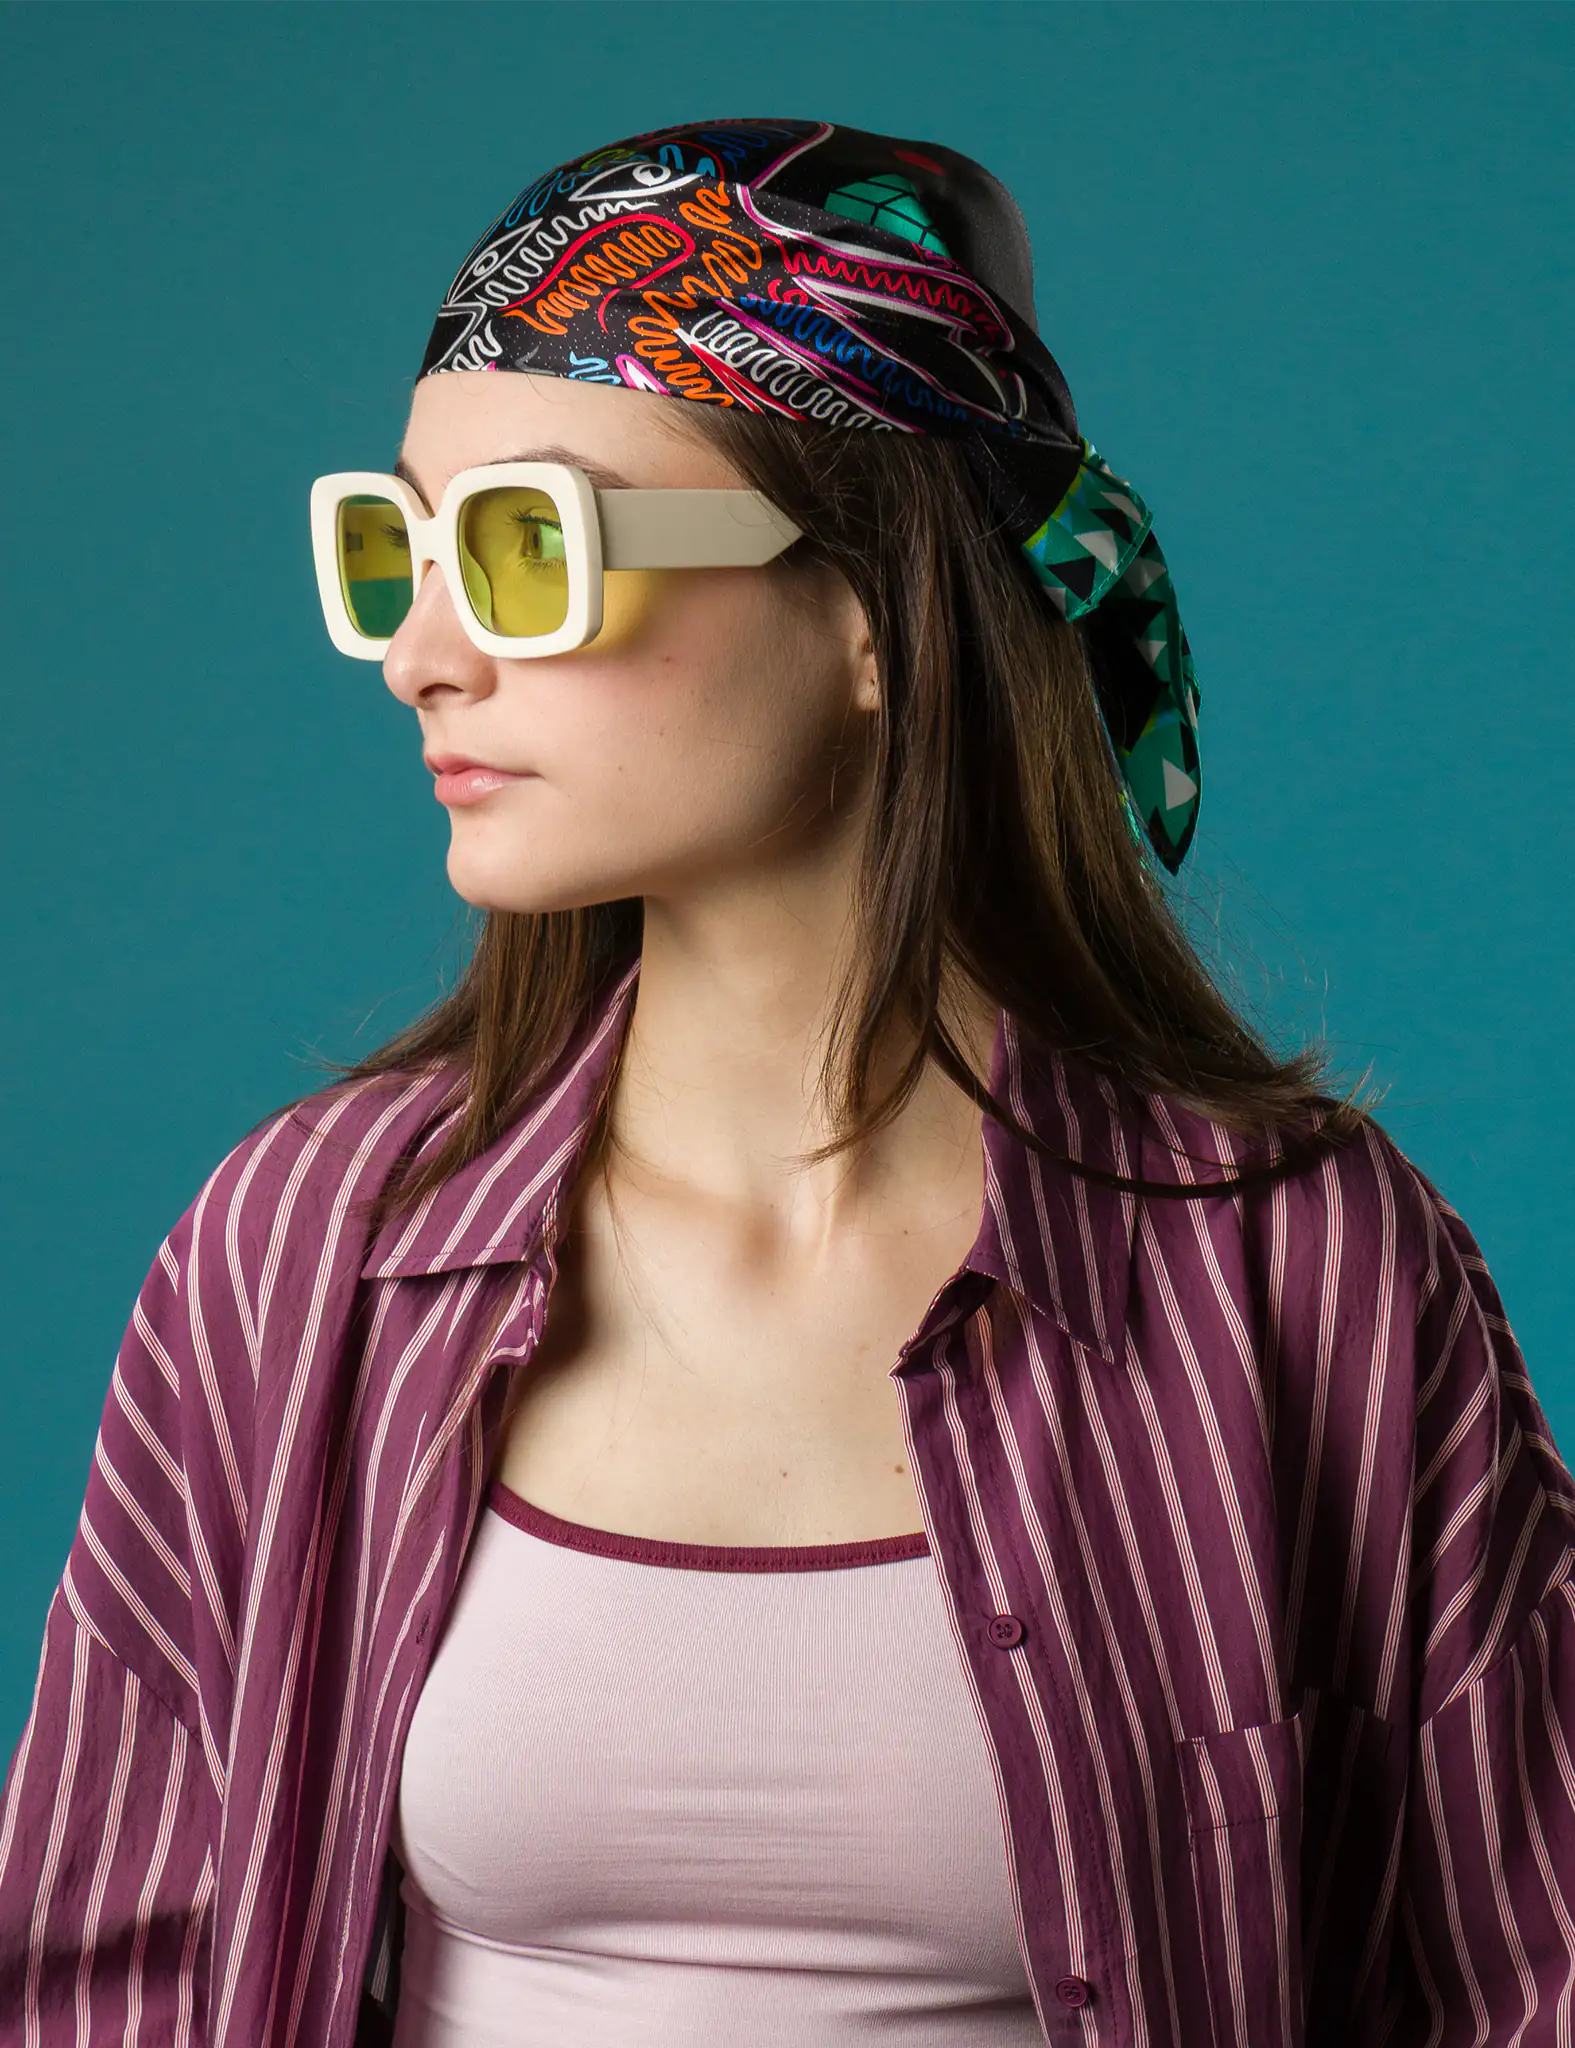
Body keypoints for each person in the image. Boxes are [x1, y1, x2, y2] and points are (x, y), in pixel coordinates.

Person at [1, 114, 1571, 2048]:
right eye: (396, 550)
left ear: (870, 614)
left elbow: (1524, 1975)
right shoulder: (302, 1253)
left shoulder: (1300, 1272)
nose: (419, 657)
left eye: (530, 549)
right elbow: (101, 1985)